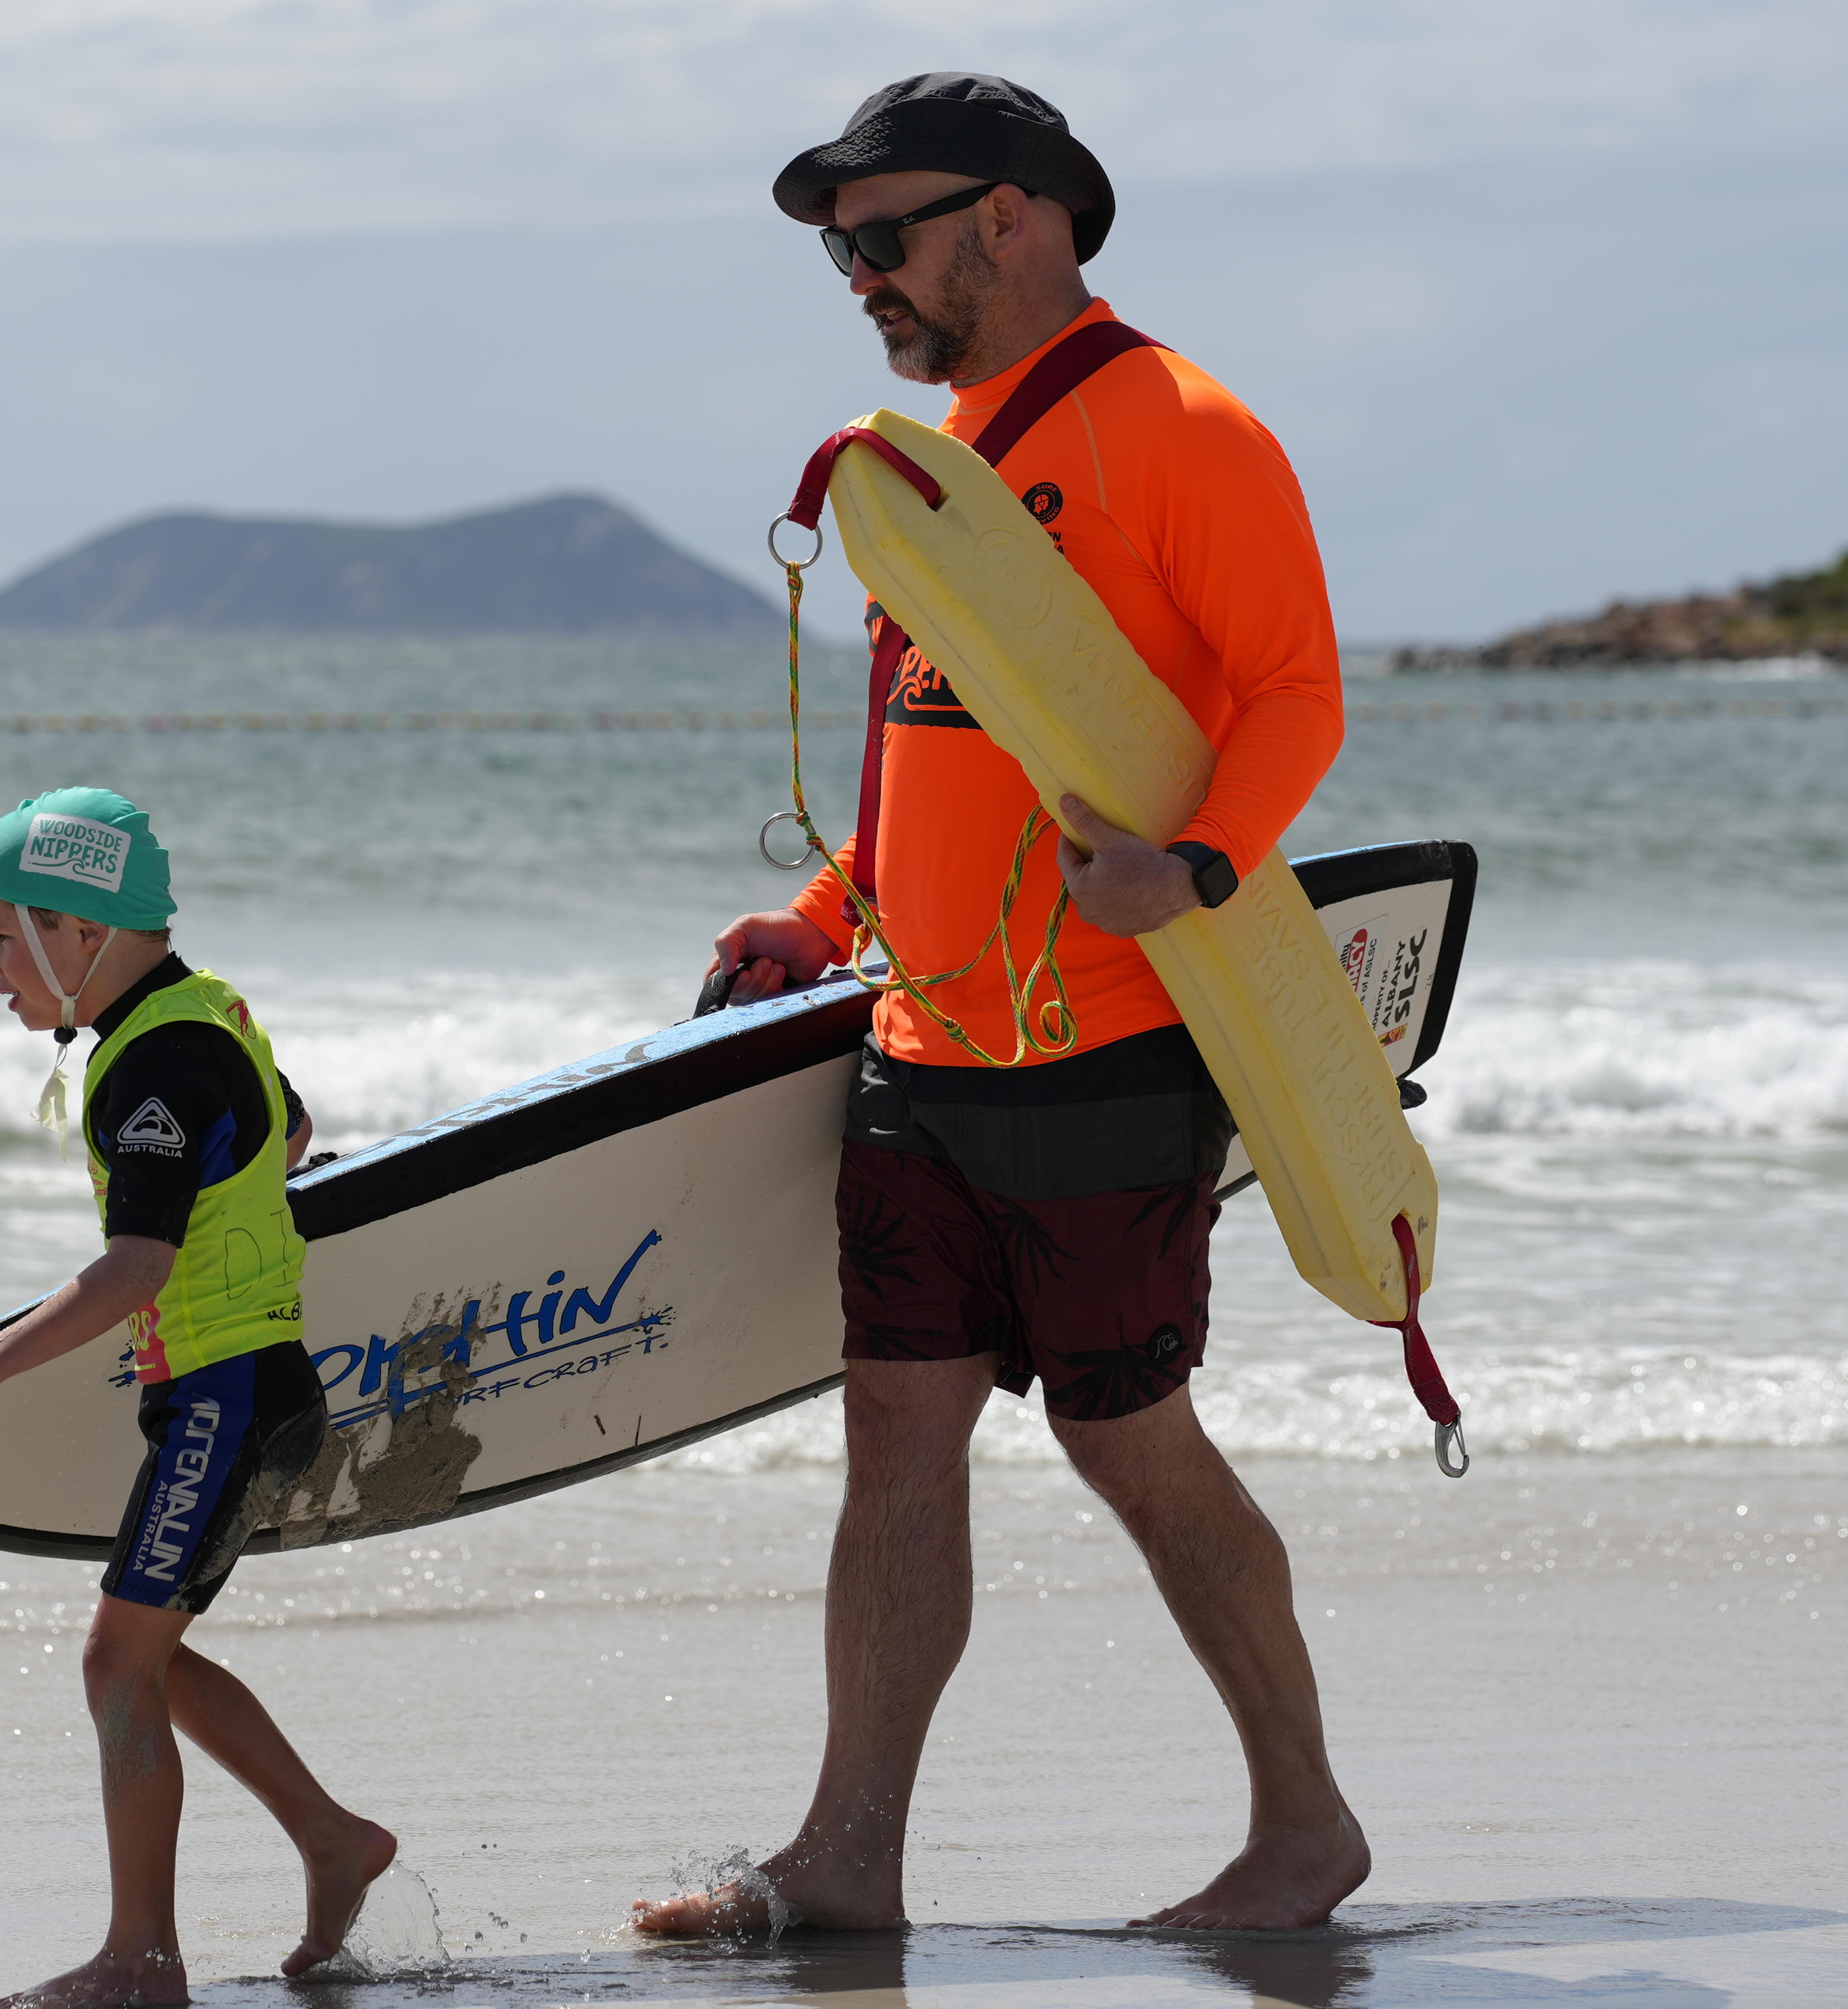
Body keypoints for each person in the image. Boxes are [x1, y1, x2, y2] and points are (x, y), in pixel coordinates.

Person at [636, 74, 1366, 1937]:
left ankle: (1304, 1827)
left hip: (1109, 1038)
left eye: (885, 237)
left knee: (1132, 1442)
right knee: (895, 1434)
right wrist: (819, 915)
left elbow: (1294, 697)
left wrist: (1195, 866)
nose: (858, 274)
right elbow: (929, 765)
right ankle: (846, 1855)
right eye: (836, 247)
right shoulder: (936, 474)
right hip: (923, 1037)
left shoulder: (1179, 429)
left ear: (1018, 215)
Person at [0, 786, 391, 2006]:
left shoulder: (148, 1065)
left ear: (77, 929)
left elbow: (135, 1268)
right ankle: (332, 1838)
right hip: (240, 1385)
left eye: (5, 938)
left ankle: (143, 1960)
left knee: (117, 1665)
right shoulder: (204, 1015)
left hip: (220, 1394)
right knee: (146, 1658)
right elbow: (293, 1129)